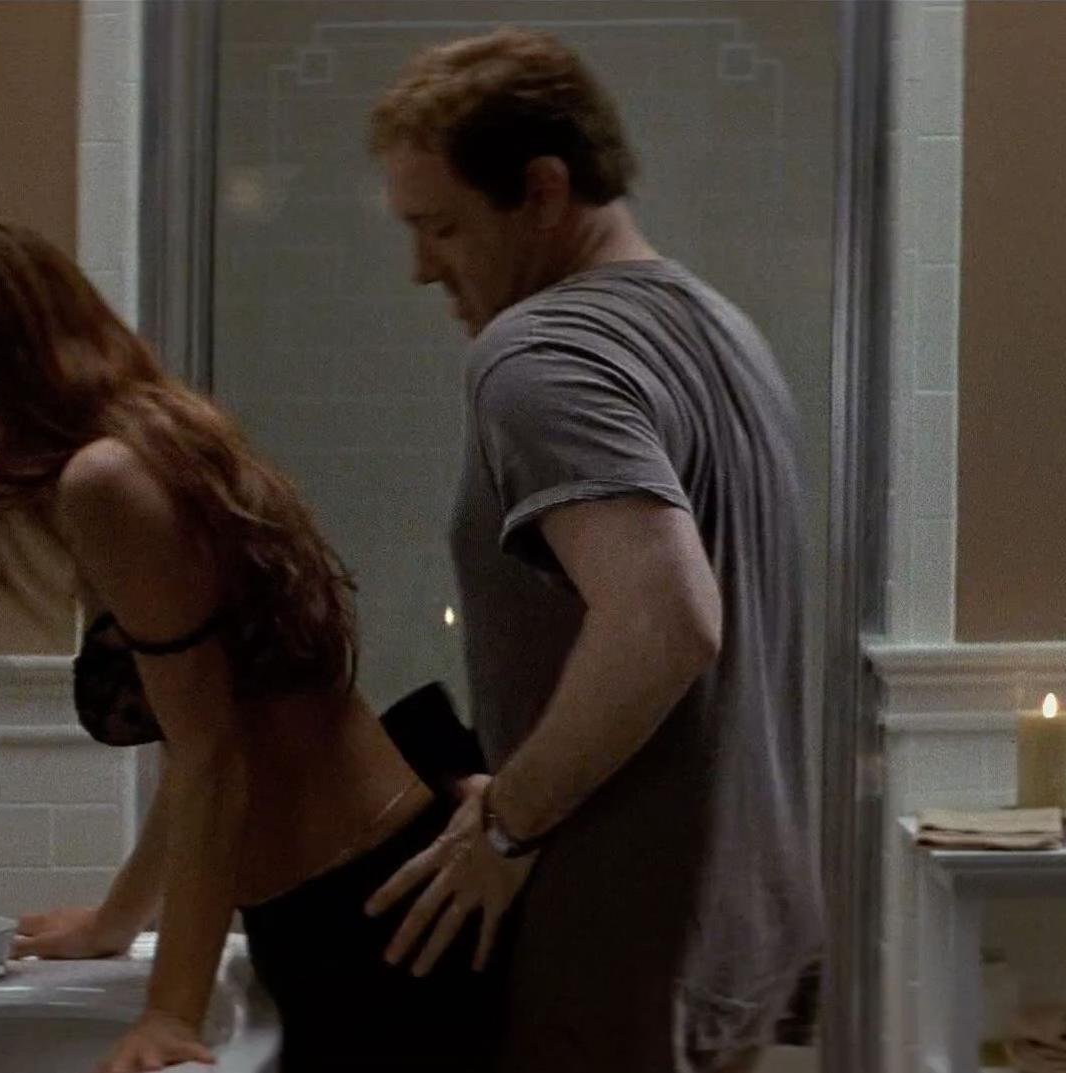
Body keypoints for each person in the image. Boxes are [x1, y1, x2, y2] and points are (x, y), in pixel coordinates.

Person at [0, 219, 503, 1073]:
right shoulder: (154, 438)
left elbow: (212, 758)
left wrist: (171, 1011)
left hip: (360, 916)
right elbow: (204, 728)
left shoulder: (107, 480)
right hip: (361, 892)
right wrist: (117, 921)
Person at [363, 27, 823, 1073]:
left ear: (542, 189)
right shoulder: (724, 330)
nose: (422, 267)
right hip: (738, 928)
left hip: (617, 943)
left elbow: (667, 619)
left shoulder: (537, 355)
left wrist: (507, 823)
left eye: (442, 227)